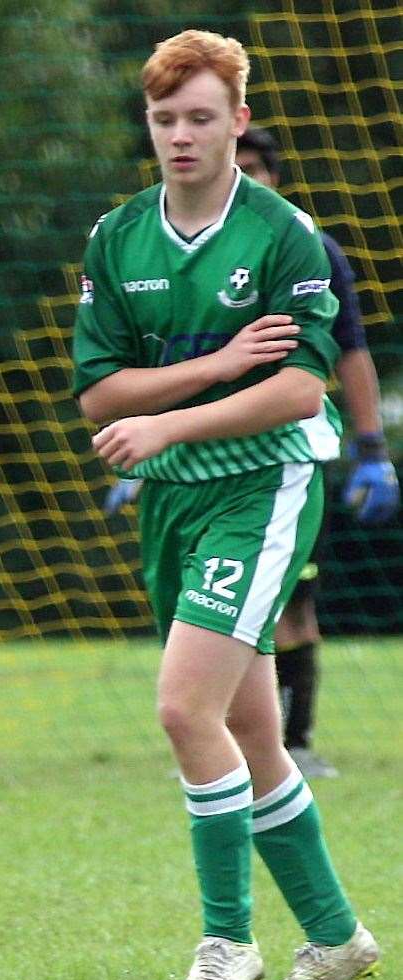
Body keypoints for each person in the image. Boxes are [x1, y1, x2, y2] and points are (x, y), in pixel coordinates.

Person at [72, 30, 379, 980]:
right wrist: (203, 374)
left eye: (201, 116)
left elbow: (296, 392)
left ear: (238, 120)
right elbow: (98, 394)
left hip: (266, 484)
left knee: (181, 706)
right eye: (164, 119)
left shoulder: (287, 236)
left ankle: (228, 943)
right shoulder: (117, 238)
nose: (181, 135)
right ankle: (335, 939)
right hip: (175, 502)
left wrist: (167, 423)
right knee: (250, 734)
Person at [234, 126, 399, 778]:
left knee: (292, 604)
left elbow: (350, 350)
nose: (244, 178)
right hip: (205, 460)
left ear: (275, 176)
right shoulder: (173, 251)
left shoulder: (310, 249)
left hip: (293, 459)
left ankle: (291, 743)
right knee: (217, 605)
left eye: (255, 167)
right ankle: (228, 745)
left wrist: (371, 449)